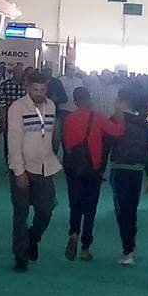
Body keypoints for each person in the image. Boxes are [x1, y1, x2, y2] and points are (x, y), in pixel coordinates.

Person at [5, 68, 61, 273]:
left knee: (46, 210)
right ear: (27, 88)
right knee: (21, 214)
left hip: (45, 166)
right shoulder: (17, 108)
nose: (39, 93)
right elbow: (13, 140)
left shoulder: (51, 106)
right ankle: (20, 257)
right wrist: (18, 170)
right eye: (35, 89)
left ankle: (32, 238)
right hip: (23, 167)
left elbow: (51, 136)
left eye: (42, 89)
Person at [59, 86, 114, 261]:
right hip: (93, 168)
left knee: (75, 204)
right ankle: (85, 247)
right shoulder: (98, 117)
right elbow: (116, 131)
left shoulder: (68, 119)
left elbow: (65, 143)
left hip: (73, 168)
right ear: (89, 99)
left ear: (75, 102)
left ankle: (74, 233)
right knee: (90, 208)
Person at [105, 87, 148, 266]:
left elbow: (106, 145)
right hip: (137, 171)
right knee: (132, 209)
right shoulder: (143, 122)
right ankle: (130, 246)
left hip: (120, 169)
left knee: (122, 210)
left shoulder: (115, 120)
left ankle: (127, 249)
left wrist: (99, 169)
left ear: (122, 102)